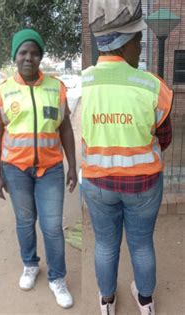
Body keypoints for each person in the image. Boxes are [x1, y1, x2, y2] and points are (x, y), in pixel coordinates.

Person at [83, 1, 173, 314]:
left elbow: (82, 134)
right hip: (144, 186)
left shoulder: (82, 85)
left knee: (105, 244)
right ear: (127, 43)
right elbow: (165, 137)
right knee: (141, 243)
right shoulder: (152, 86)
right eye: (138, 40)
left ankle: (107, 303)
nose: (140, 47)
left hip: (97, 184)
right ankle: (145, 303)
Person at [0, 28, 77, 309]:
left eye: (34, 52)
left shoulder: (57, 88)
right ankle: (30, 265)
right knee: (25, 223)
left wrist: (72, 166)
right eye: (23, 52)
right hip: (15, 170)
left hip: (50, 169)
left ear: (41, 56)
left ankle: (57, 278)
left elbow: (65, 130)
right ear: (15, 56)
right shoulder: (2, 92)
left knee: (52, 226)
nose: (29, 57)